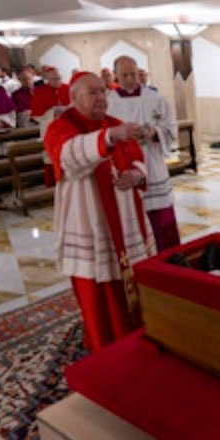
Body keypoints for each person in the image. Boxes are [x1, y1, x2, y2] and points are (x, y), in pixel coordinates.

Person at [45, 71, 155, 352]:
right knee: (98, 285)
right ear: (73, 98)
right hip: (89, 218)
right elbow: (68, 157)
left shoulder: (114, 124)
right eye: (92, 93)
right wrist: (106, 138)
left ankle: (137, 333)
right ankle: (104, 343)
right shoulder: (61, 126)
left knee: (132, 280)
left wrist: (136, 174)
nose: (101, 98)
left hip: (125, 217)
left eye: (102, 92)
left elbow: (137, 158)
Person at [108, 55, 181, 251]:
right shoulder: (109, 102)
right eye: (125, 75)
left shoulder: (155, 98)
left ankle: (170, 256)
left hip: (152, 161)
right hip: (125, 164)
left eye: (133, 74)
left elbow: (171, 127)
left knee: (161, 212)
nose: (131, 79)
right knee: (132, 214)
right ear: (116, 75)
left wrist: (154, 132)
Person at [30, 66, 71, 187]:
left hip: (67, 129)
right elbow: (36, 115)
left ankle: (68, 184)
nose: (57, 81)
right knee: (50, 157)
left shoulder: (68, 89)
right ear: (47, 79)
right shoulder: (40, 92)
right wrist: (52, 113)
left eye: (58, 78)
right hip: (49, 129)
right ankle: (51, 186)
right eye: (54, 79)